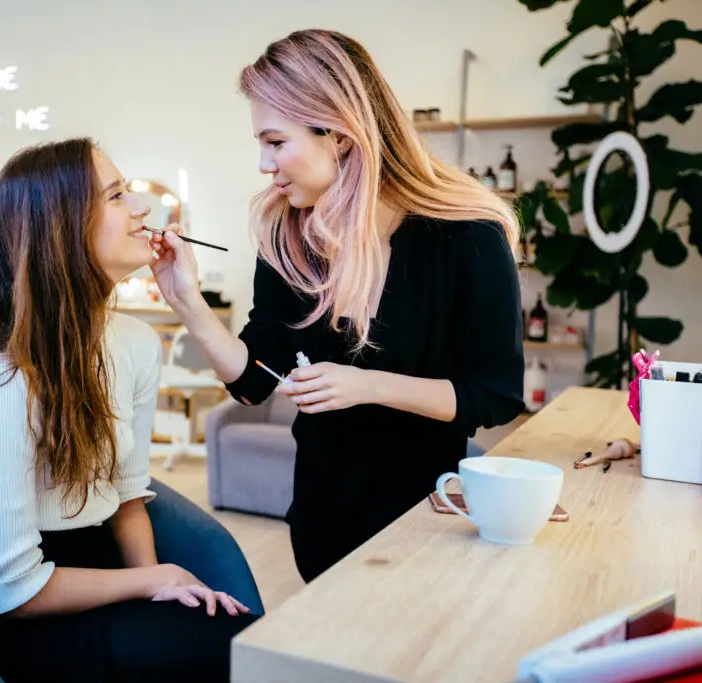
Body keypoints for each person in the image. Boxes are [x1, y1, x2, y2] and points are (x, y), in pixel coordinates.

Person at [150, 29, 525, 583]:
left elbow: (495, 395)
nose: (264, 163)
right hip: (321, 523)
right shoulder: (287, 238)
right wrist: (187, 301)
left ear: (340, 135)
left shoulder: (467, 237)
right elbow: (253, 380)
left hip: (428, 521)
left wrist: (367, 386)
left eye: (276, 142)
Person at [0, 138, 257, 683]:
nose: (142, 208)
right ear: (62, 229)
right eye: (116, 196)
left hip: (97, 565)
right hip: (22, 608)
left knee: (242, 640)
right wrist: (152, 581)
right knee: (231, 652)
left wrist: (159, 588)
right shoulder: (5, 378)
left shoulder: (135, 344)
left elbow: (128, 496)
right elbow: (14, 589)